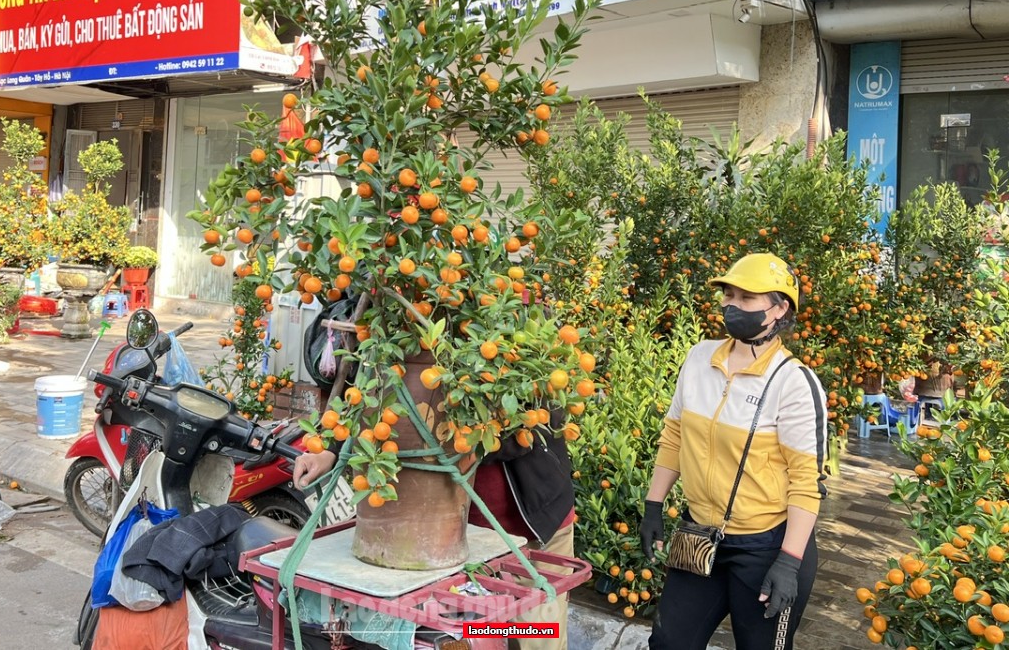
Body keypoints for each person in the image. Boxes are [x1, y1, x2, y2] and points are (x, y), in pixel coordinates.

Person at [640, 252, 828, 650]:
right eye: (729, 294)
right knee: (669, 643)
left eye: (747, 298)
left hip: (766, 546)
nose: (732, 305)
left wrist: (789, 561)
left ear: (780, 309)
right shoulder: (699, 359)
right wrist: (654, 505)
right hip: (700, 533)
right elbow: (674, 437)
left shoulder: (793, 382)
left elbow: (806, 482)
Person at [294, 413, 575, 650]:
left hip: (534, 531)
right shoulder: (403, 354)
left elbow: (540, 423)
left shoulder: (513, 361)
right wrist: (330, 448)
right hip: (459, 544)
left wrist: (456, 440)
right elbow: (368, 391)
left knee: (538, 636)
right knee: (482, 636)